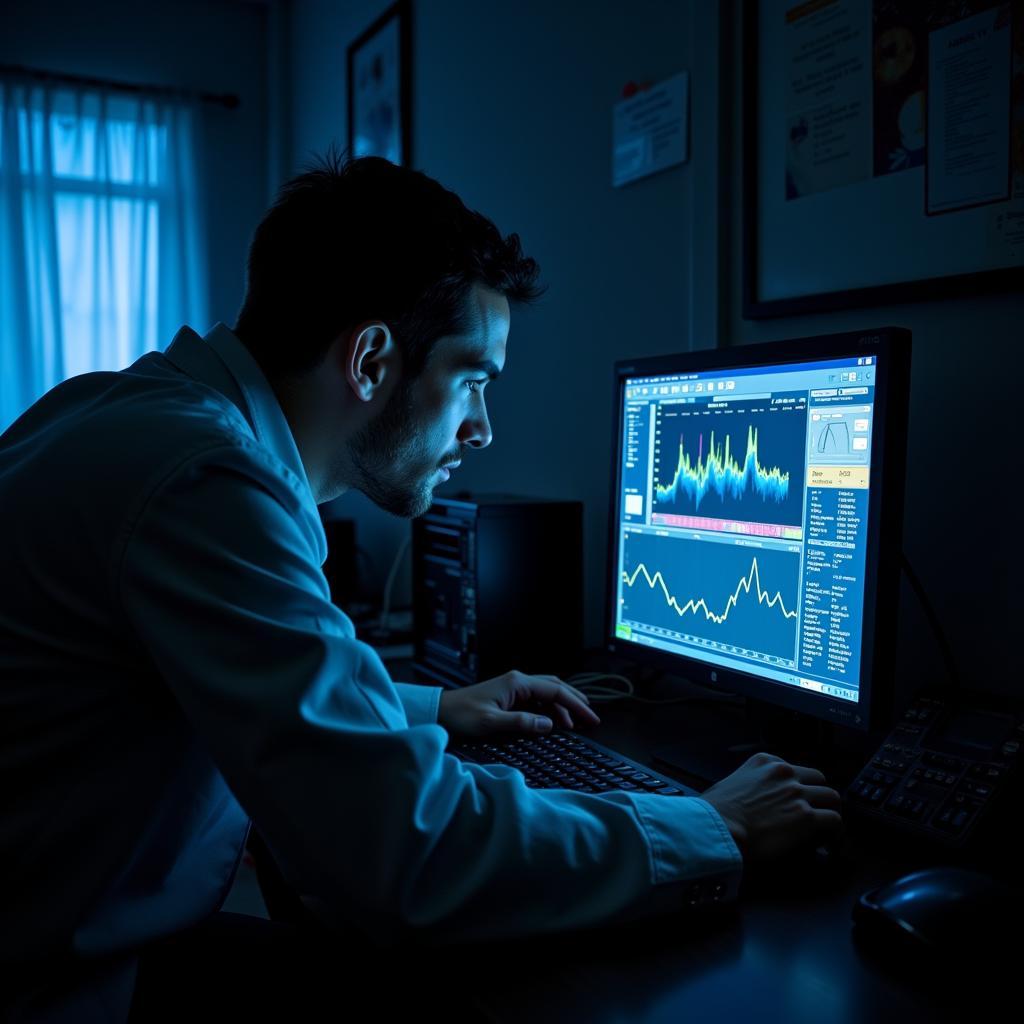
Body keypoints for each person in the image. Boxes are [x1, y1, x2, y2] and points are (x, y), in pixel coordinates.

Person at [0, 152, 842, 1021]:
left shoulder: (124, 411)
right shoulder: (204, 481)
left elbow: (240, 680)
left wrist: (435, 708)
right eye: (473, 379)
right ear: (370, 360)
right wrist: (716, 826)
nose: (481, 428)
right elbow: (401, 852)